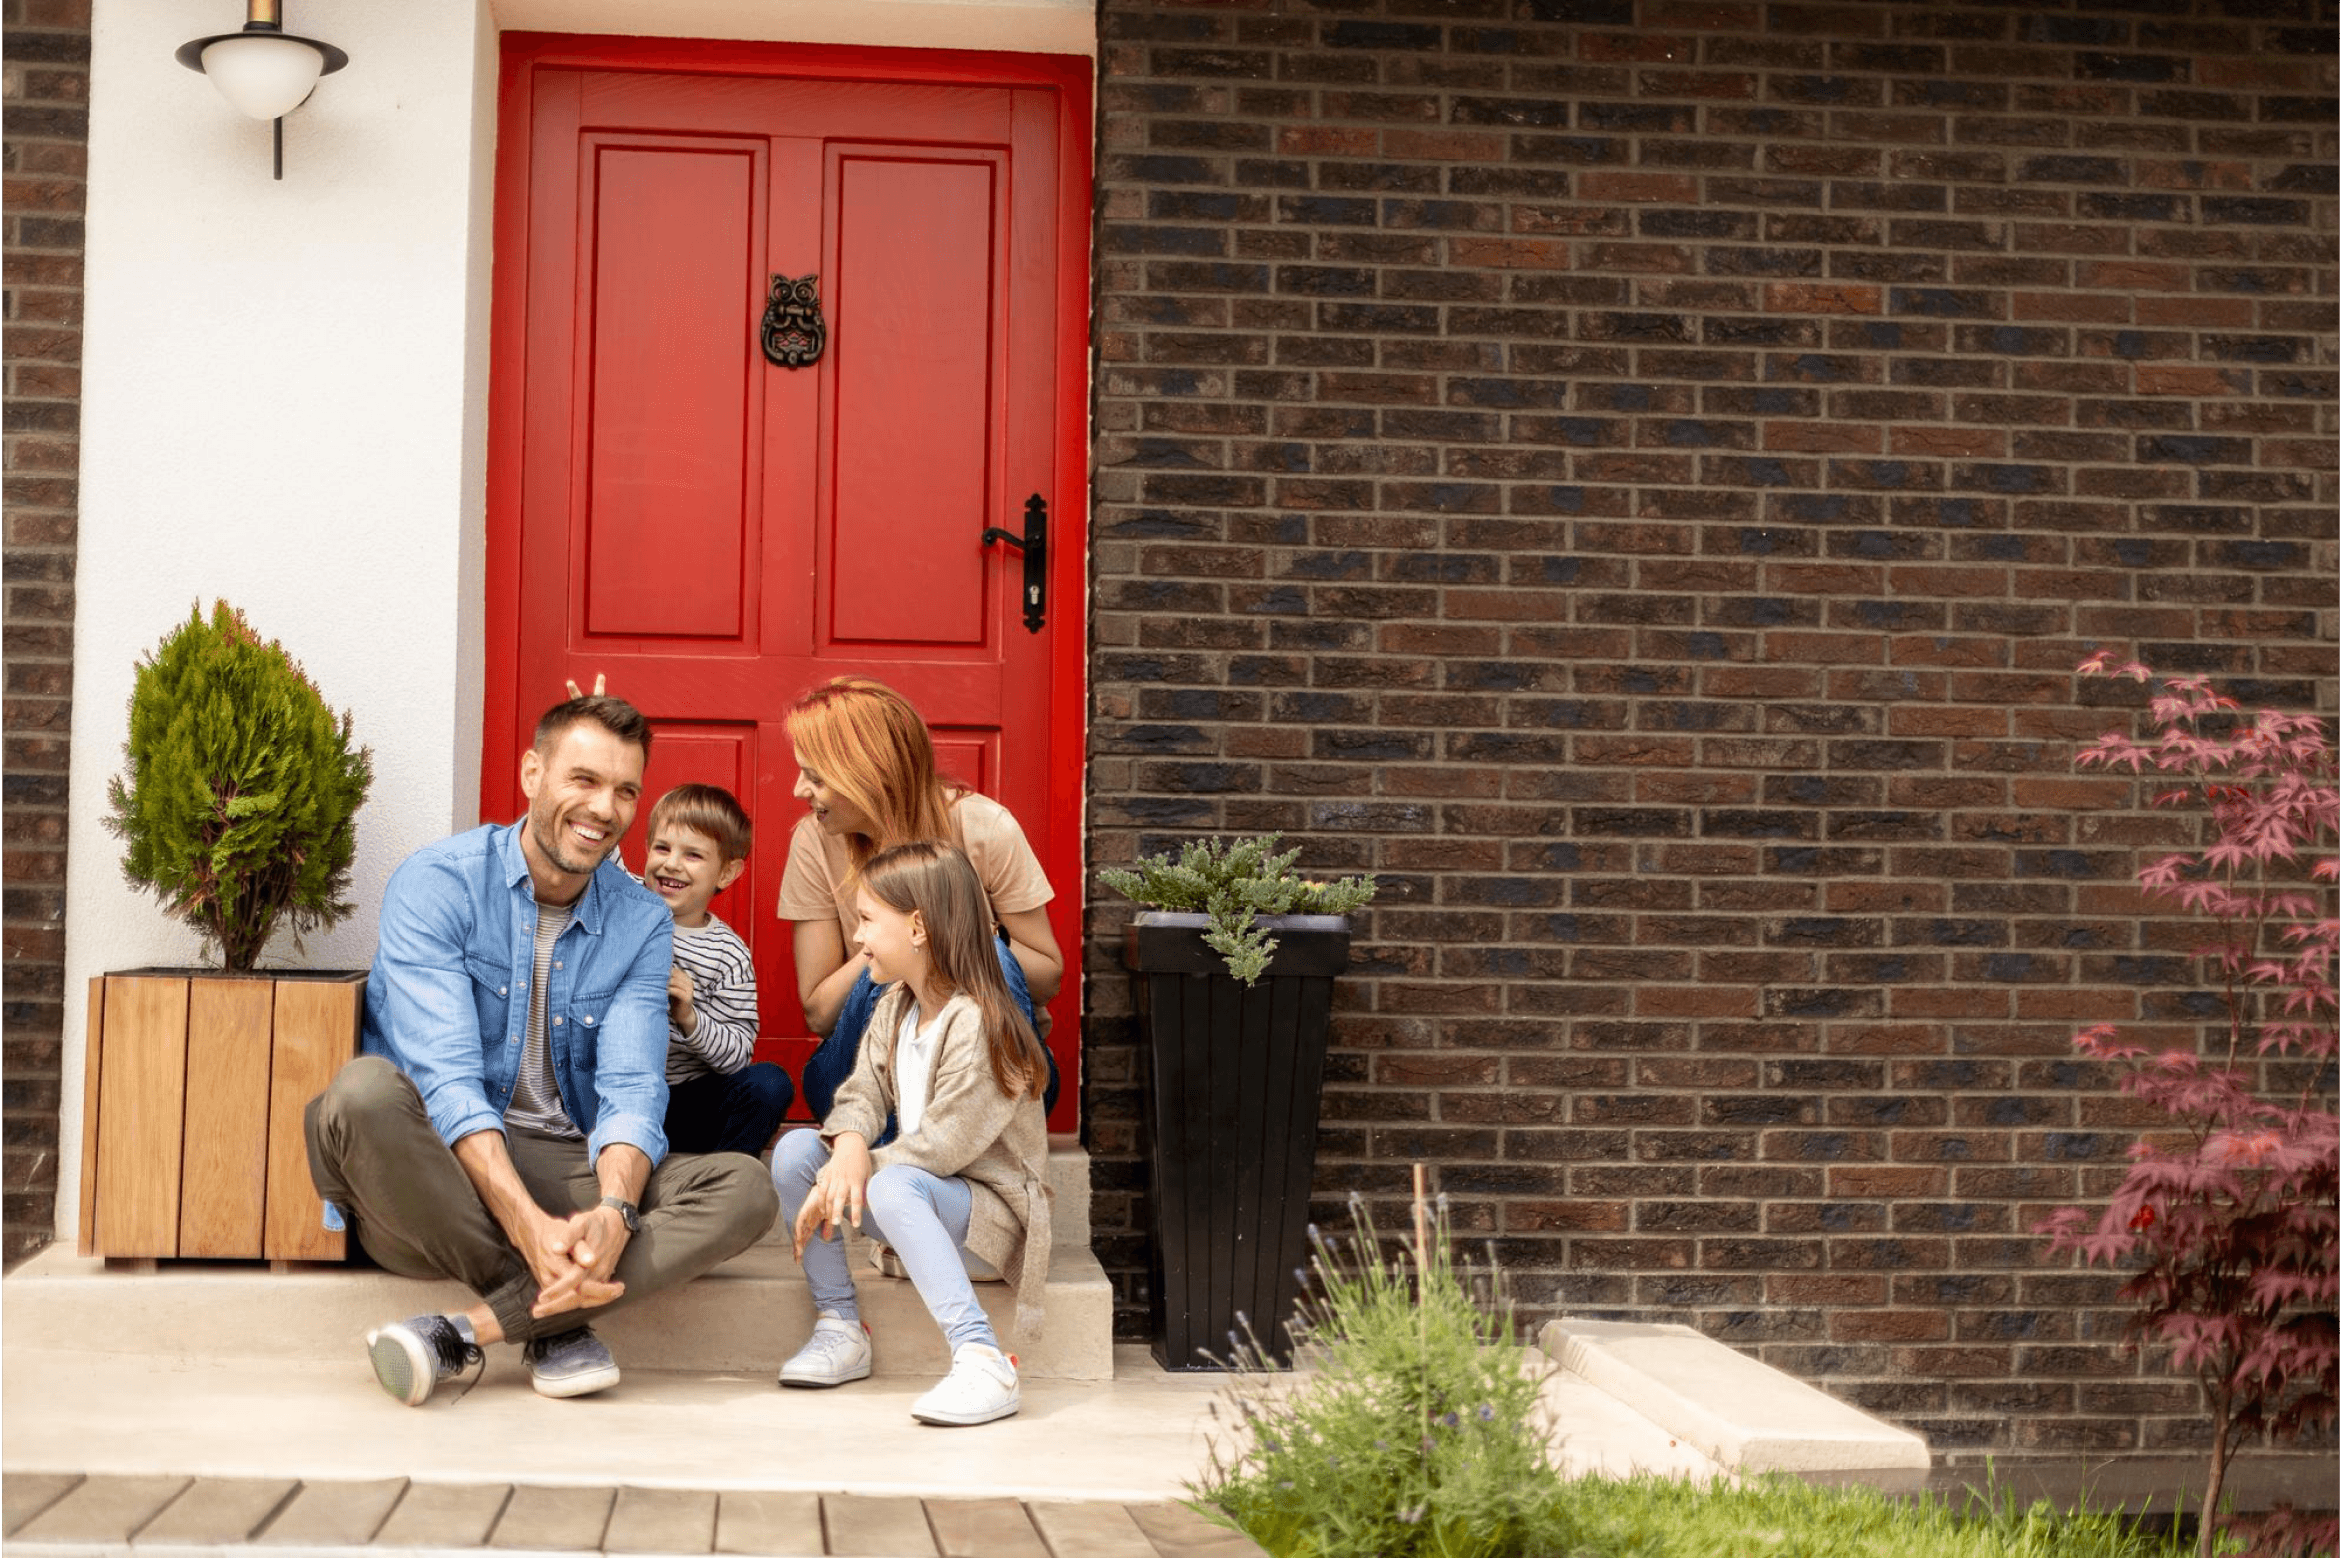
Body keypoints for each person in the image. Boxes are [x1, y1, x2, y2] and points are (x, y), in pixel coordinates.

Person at [303, 694, 778, 1408]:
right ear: (532, 773)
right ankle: (557, 1327)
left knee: (745, 1188)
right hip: (431, 1171)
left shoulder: (641, 919)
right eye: (582, 780)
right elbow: (448, 1083)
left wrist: (615, 1211)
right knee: (363, 1092)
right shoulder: (439, 883)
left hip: (557, 1155)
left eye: (624, 791)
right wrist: (531, 1232)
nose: (604, 809)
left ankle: (463, 1331)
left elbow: (631, 1086)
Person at [771, 840, 1052, 1425]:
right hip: (924, 1206)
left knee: (893, 1183)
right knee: (798, 1151)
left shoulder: (981, 1021)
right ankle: (841, 1325)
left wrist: (853, 1173)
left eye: (868, 920)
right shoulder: (896, 1006)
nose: (858, 938)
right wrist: (847, 1146)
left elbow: (942, 1147)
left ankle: (983, 1359)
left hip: (988, 1221)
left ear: (918, 926)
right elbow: (860, 1095)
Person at [778, 677, 1063, 1124]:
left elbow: (1046, 978)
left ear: (868, 770)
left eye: (815, 776)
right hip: (858, 1073)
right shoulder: (815, 842)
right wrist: (893, 937)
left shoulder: (983, 827)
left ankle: (927, 1158)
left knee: (991, 951)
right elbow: (819, 1012)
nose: (799, 790)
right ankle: (926, 1162)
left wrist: (961, 933)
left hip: (991, 1071)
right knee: (894, 964)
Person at [641, 783, 794, 1156]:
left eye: (693, 855)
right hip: (615, 1091)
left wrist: (690, 1018)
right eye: (662, 847)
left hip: (684, 1104)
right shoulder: (622, 904)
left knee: (769, 1083)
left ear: (726, 873)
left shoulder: (728, 954)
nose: (671, 863)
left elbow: (737, 1055)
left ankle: (726, 1178)